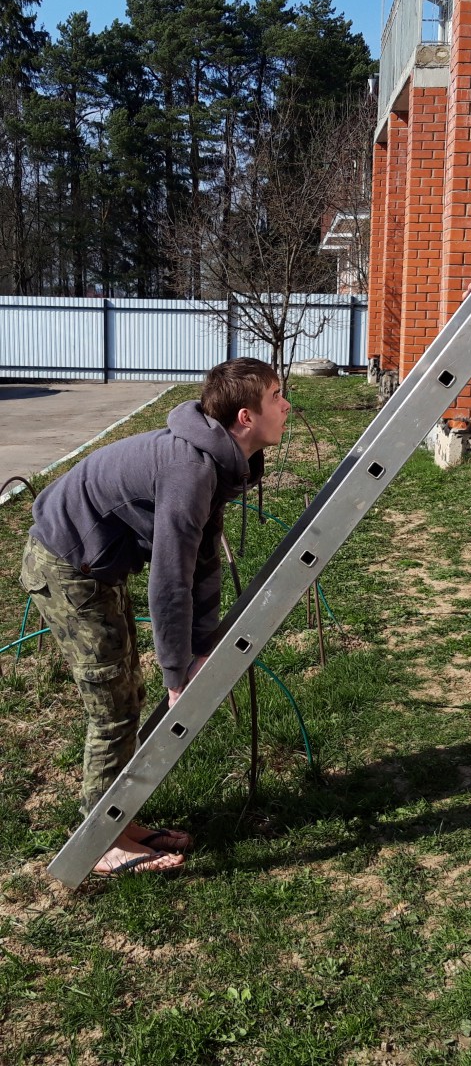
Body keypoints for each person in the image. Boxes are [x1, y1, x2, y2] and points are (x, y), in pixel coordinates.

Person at [19, 357, 290, 877]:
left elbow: (202, 561)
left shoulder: (215, 460)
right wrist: (177, 675)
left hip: (95, 566)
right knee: (112, 704)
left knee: (127, 695)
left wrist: (198, 648)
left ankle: (119, 823)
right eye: (276, 395)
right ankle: (99, 844)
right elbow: (169, 583)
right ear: (245, 417)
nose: (286, 406)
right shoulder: (191, 470)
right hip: (66, 563)